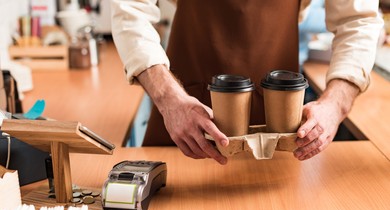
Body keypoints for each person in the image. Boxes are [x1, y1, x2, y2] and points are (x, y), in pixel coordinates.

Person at [111, 0, 383, 165]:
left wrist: (335, 105)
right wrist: (170, 100)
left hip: (280, 130)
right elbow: (129, 9)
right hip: (185, 122)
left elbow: (358, 21)